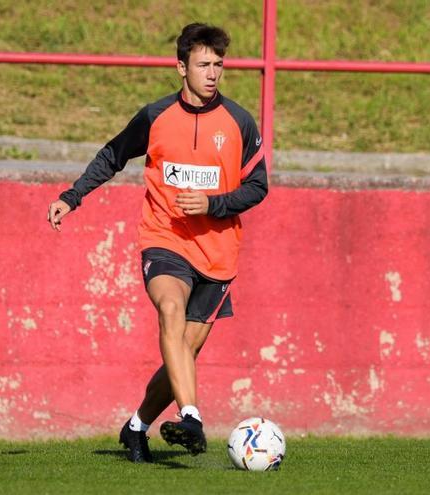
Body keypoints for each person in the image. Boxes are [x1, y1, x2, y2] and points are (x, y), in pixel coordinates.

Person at [47, 23, 268, 463]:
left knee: (181, 353)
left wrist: (212, 202)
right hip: (164, 239)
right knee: (170, 310)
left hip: (219, 253)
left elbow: (258, 187)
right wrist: (72, 196)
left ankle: (135, 428)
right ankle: (192, 417)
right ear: (181, 67)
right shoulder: (155, 116)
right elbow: (112, 155)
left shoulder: (239, 121)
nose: (212, 73)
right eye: (203, 64)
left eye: (218, 64)